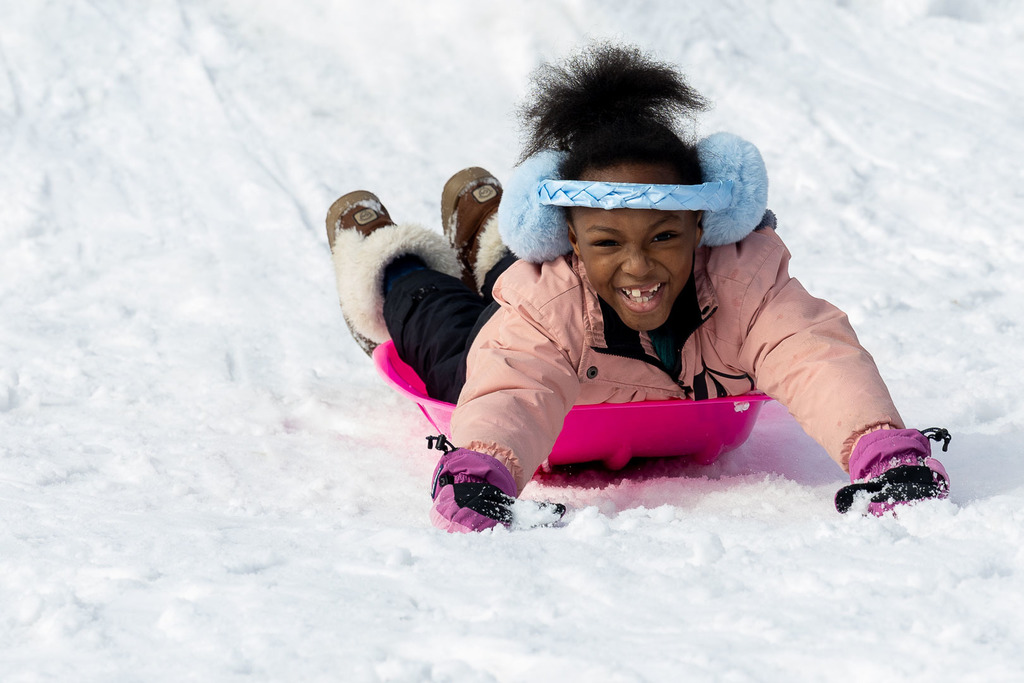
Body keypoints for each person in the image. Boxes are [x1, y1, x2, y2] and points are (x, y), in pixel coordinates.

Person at [326, 44, 951, 532]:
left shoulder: (744, 281)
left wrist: (881, 447)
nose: (639, 267)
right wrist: (479, 465)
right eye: (606, 242)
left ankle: (488, 237)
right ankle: (398, 266)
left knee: (514, 299)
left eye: (663, 237)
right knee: (451, 342)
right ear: (565, 239)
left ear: (702, 226)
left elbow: (815, 355)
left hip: (575, 336)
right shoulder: (549, 303)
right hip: (524, 342)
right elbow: (514, 380)